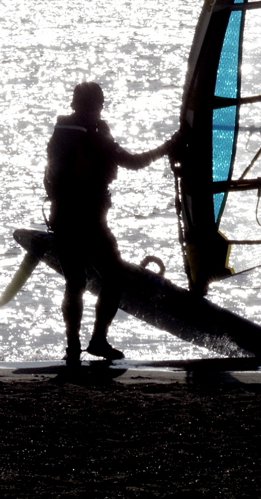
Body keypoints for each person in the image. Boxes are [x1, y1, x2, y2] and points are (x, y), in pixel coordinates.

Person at [44, 81, 178, 366]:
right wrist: (168, 147)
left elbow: (50, 176)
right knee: (115, 278)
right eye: (99, 104)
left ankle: (72, 347)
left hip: (62, 218)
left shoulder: (61, 133)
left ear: (73, 103)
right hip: (89, 222)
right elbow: (133, 162)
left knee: (74, 283)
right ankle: (98, 341)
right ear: (95, 105)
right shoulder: (93, 134)